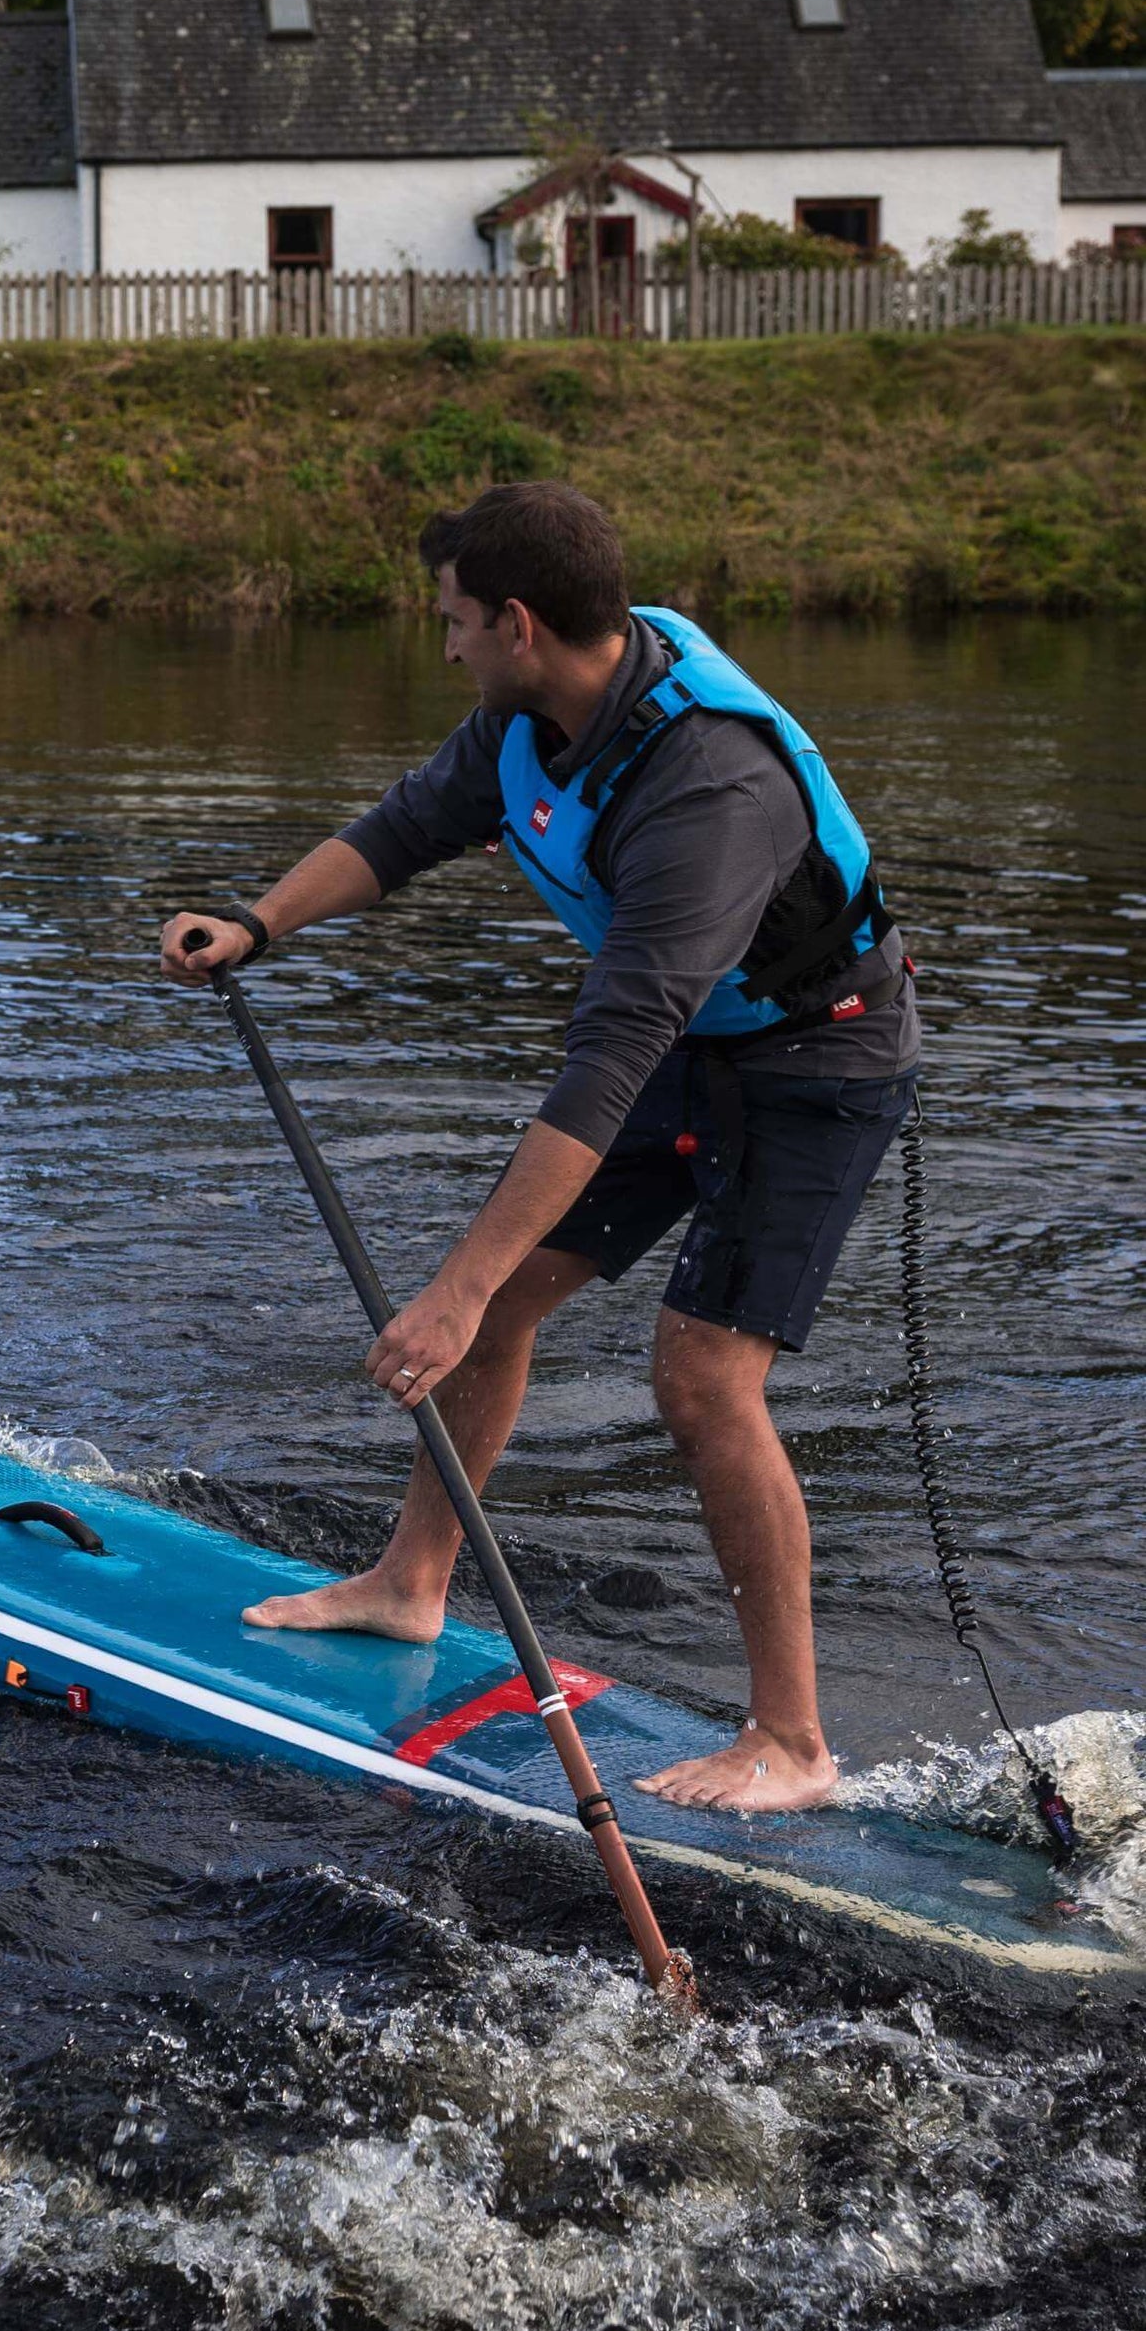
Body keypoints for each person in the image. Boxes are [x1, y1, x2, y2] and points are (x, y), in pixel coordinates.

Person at [161, 481, 917, 1813]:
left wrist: (447, 1293)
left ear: (517, 624)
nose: (440, 644)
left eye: (452, 621)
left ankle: (792, 1745)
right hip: (701, 1043)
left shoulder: (712, 787)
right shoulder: (531, 712)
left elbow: (608, 1062)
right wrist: (260, 924)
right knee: (506, 1297)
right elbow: (405, 829)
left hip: (819, 1059)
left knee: (701, 1379)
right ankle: (410, 1585)